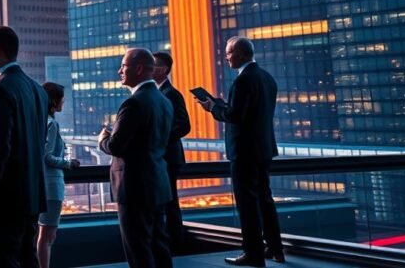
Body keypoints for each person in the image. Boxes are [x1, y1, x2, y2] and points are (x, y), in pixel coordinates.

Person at [195, 37, 284, 267]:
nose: (226, 57)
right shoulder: (266, 78)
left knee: (247, 204)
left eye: (229, 53)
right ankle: (275, 249)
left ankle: (253, 254)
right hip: (264, 149)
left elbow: (236, 116)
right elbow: (249, 113)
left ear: (241, 54)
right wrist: (223, 105)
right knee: (265, 199)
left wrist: (213, 108)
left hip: (244, 152)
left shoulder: (243, 80)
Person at [0, 26, 50, 268]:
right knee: (28, 260)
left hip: (3, 202)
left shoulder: (0, 89)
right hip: (32, 196)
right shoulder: (38, 90)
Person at [98, 48, 173, 268]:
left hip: (134, 188)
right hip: (158, 183)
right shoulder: (164, 100)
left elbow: (116, 145)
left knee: (138, 249)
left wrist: (102, 139)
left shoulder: (133, 103)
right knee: (159, 247)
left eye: (123, 66)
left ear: (138, 69)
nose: (119, 71)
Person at [37, 82, 80, 268]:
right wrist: (68, 163)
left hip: (41, 185)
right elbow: (47, 156)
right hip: (52, 187)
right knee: (47, 235)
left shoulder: (38, 121)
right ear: (54, 101)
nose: (64, 102)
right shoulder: (52, 124)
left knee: (43, 234)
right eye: (62, 98)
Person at [152, 51, 191, 254]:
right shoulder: (159, 92)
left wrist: (159, 138)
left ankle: (176, 245)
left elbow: (184, 125)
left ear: (164, 69)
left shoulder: (171, 94)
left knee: (170, 203)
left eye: (154, 65)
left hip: (169, 157)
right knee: (166, 202)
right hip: (163, 157)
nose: (150, 68)